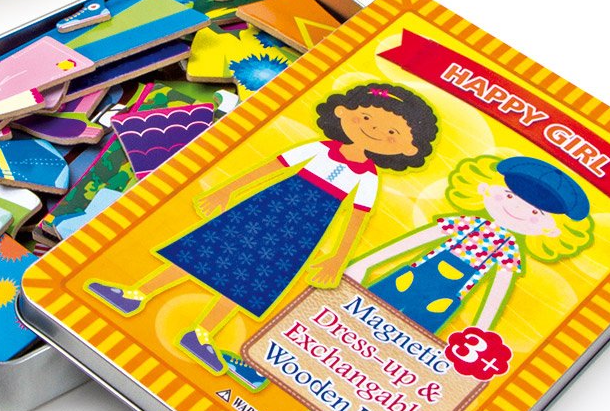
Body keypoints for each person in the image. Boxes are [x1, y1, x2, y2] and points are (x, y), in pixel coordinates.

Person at [87, 84, 439, 373]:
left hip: (301, 232)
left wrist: (336, 259)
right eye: (367, 117)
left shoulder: (369, 177)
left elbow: (355, 220)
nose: (375, 130)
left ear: (406, 148)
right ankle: (135, 295)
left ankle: (202, 333)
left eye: (391, 132)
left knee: (247, 281)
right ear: (344, 113)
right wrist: (225, 191)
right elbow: (271, 168)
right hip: (265, 208)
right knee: (204, 253)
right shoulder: (319, 149)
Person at [347, 155, 594, 333]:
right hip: (404, 279)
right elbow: (414, 242)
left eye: (534, 212)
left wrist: (479, 332)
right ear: (487, 190)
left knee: (403, 341)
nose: (517, 208)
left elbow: (497, 289)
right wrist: (364, 264)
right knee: (350, 314)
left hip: (441, 303)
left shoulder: (508, 249)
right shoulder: (467, 223)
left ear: (549, 228)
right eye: (509, 196)